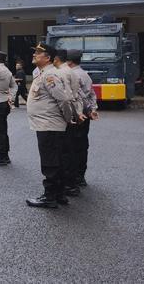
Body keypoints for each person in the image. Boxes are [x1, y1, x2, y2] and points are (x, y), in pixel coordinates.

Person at [26, 43, 78, 208]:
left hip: (49, 125)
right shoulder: (44, 73)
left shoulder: (50, 75)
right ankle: (59, 194)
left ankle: (50, 197)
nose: (34, 55)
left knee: (50, 163)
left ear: (47, 57)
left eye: (38, 53)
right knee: (57, 161)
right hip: (47, 124)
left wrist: (68, 118)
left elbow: (63, 99)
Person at [53, 50, 85, 197]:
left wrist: (68, 117)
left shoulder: (62, 72)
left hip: (65, 117)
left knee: (65, 153)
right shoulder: (70, 71)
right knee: (69, 151)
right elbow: (77, 96)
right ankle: (71, 183)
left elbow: (65, 99)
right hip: (72, 114)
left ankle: (68, 185)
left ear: (56, 58)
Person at [67, 49, 98, 188]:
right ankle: (81, 176)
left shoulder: (72, 75)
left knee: (72, 147)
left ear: (70, 61)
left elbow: (79, 96)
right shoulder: (85, 74)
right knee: (82, 146)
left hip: (76, 115)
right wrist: (92, 109)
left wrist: (85, 109)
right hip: (85, 115)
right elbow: (92, 94)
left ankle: (74, 178)